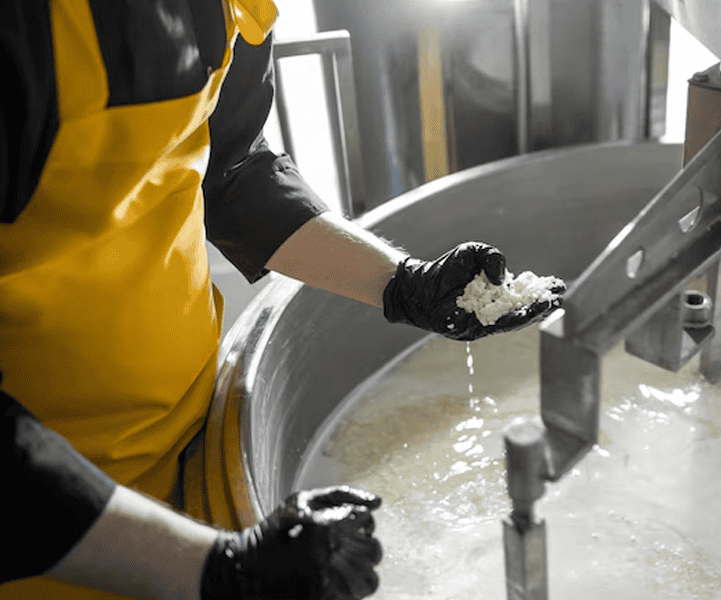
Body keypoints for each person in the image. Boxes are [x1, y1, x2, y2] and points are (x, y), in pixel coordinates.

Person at [0, 1, 564, 599]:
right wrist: (218, 568)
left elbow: (230, 169)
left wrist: (404, 284)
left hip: (191, 431)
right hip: (50, 532)